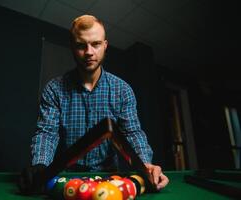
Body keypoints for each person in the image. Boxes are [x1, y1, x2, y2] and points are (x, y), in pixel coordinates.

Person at [20, 14, 168, 194]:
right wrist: (40, 166)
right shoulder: (54, 89)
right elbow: (47, 133)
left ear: (105, 46)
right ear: (73, 48)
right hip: (68, 182)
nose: (89, 52)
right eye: (81, 45)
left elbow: (133, 132)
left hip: (110, 182)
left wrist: (145, 164)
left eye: (96, 44)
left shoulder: (122, 90)